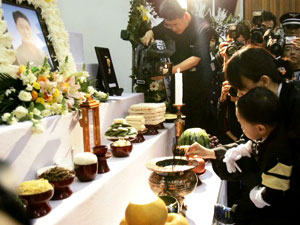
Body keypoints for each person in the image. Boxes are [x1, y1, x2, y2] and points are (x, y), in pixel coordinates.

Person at [187, 46, 300, 223]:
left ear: (263, 81)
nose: (239, 95)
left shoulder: (295, 106)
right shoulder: (266, 101)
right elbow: (249, 143)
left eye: (242, 89)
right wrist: (212, 152)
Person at [141, 0, 213, 130]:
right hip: (179, 81)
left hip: (199, 84)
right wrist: (150, 32)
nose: (173, 29)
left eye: (175, 25)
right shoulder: (168, 24)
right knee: (177, 123)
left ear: (185, 16)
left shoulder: (202, 27)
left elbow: (196, 58)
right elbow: (158, 29)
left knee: (196, 125)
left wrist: (166, 71)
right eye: (169, 25)